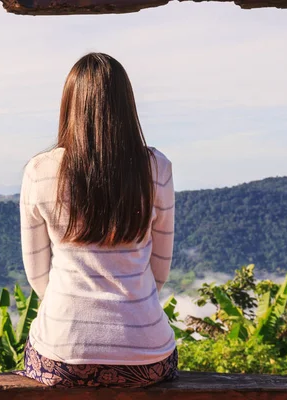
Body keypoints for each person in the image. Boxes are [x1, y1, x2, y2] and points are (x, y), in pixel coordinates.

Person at [15, 52, 177, 388]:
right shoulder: (156, 168)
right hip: (147, 356)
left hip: (62, 354)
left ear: (69, 105)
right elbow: (160, 270)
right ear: (126, 105)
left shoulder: (40, 170)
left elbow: (38, 276)